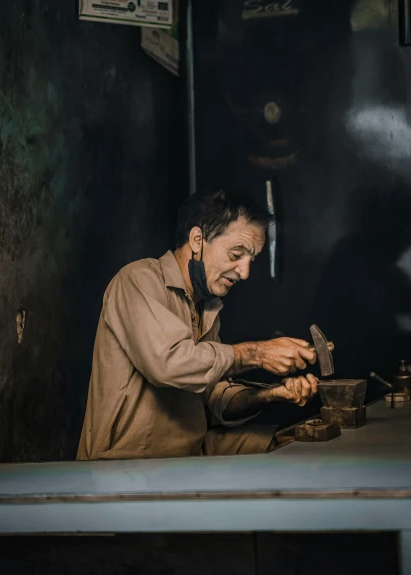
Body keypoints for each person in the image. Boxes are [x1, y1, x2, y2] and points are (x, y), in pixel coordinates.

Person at [77, 190, 320, 460]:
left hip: (188, 458)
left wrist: (267, 395)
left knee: (289, 447)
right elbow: (169, 363)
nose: (245, 272)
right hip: (126, 466)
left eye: (252, 259)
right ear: (197, 239)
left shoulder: (207, 306)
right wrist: (257, 354)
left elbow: (212, 394)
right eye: (236, 254)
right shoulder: (137, 281)